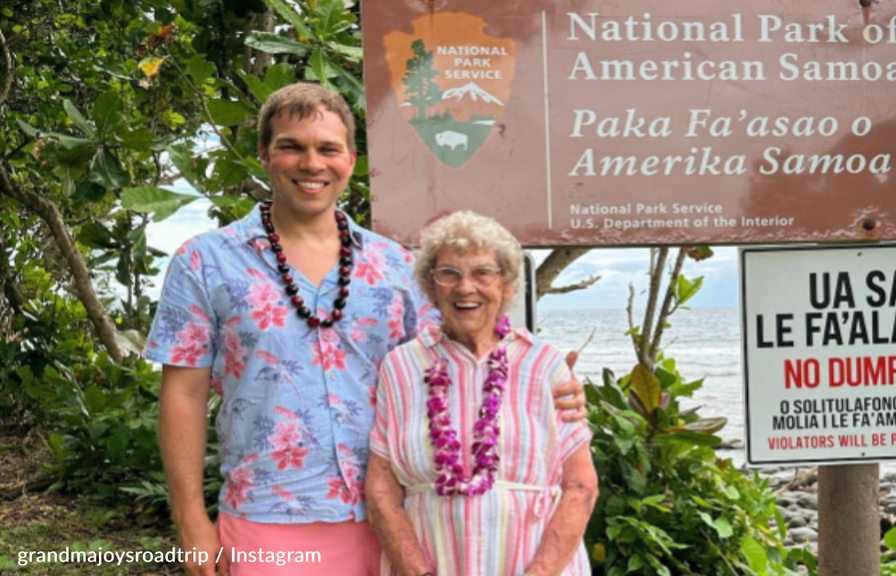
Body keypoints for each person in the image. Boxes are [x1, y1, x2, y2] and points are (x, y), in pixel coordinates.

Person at [144, 83, 587, 576]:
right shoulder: (207, 261)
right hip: (267, 514)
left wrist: (551, 387)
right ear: (265, 154)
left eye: (328, 149)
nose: (312, 164)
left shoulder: (395, 266)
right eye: (292, 146)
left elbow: (460, 362)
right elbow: (183, 395)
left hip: (400, 519)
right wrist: (189, 520)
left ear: (351, 159)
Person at [365, 211, 599, 576]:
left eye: (482, 273)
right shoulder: (401, 367)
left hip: (534, 564)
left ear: (506, 285)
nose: (465, 287)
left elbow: (581, 486)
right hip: (432, 562)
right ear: (430, 286)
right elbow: (381, 488)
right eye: (449, 274)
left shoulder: (544, 364)